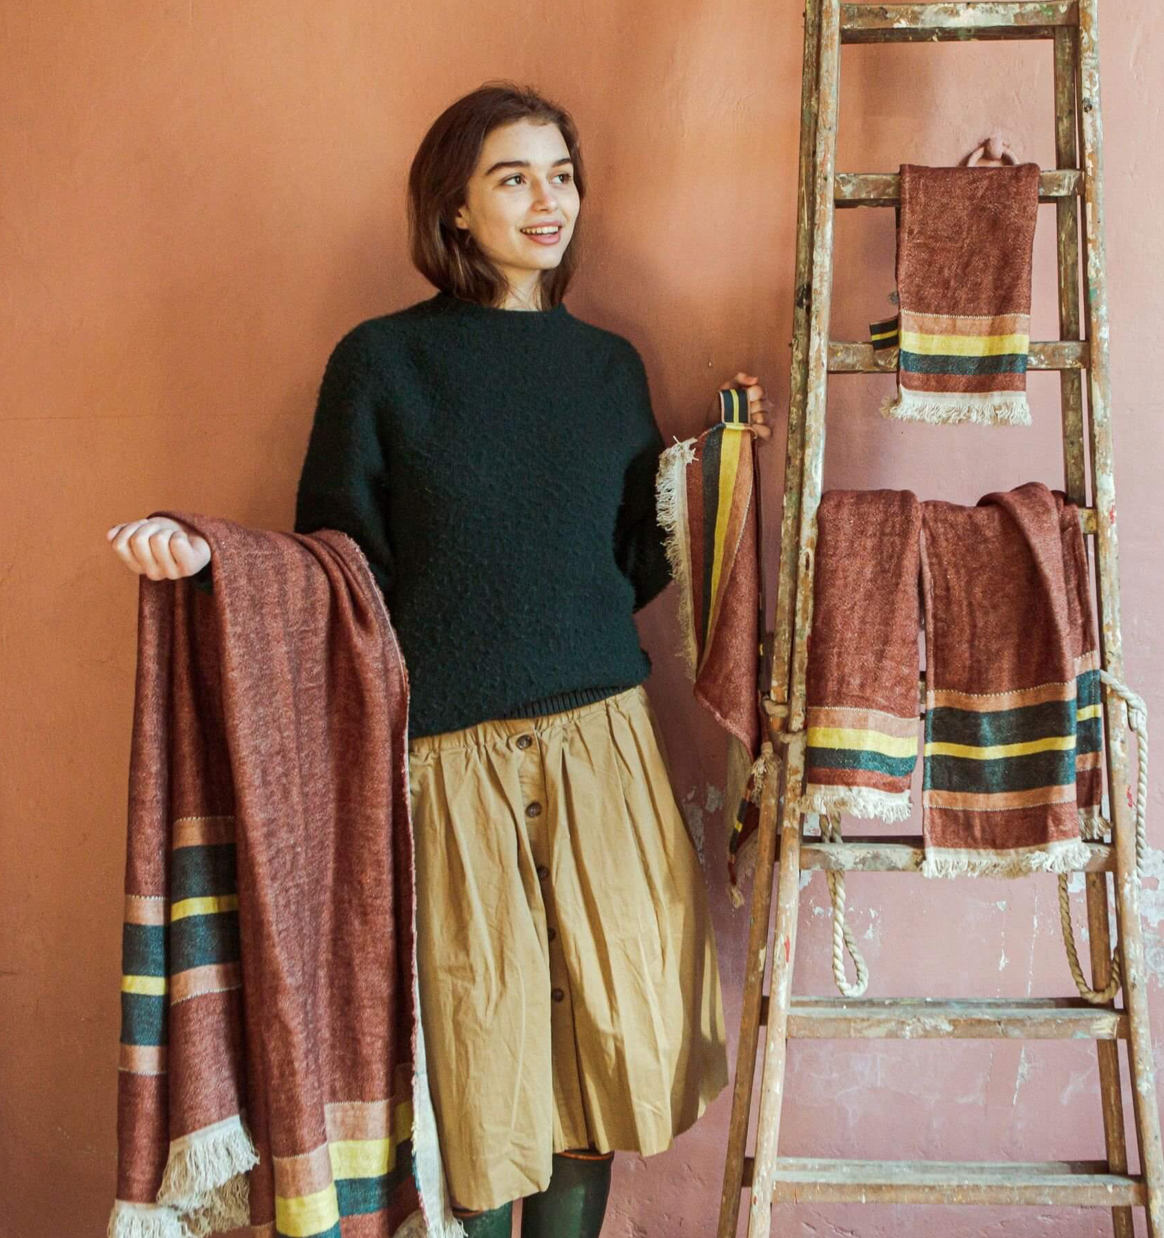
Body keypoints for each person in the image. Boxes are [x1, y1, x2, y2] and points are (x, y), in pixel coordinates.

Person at [106, 81, 772, 1238]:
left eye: (561, 174)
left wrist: (716, 470)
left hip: (606, 757)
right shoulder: (381, 364)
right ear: (454, 209)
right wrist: (205, 555)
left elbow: (631, 558)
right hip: (446, 770)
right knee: (470, 1086)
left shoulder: (608, 366)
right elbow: (336, 574)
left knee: (591, 1084)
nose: (547, 200)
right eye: (514, 177)